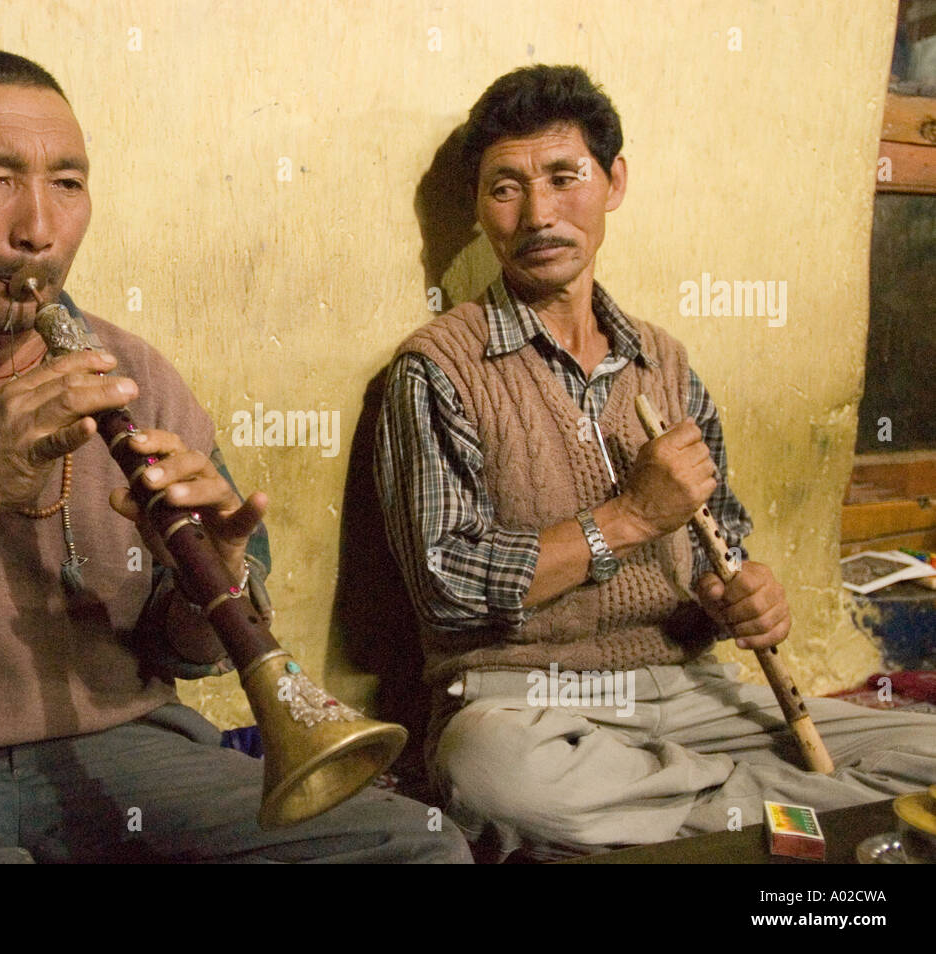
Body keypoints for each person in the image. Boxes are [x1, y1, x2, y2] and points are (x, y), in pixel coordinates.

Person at [0, 49, 470, 864]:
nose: (37, 228)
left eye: (67, 183)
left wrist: (220, 572)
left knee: (410, 845)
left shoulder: (136, 374)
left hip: (119, 752)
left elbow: (188, 655)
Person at [374, 64, 936, 860]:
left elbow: (723, 532)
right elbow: (448, 591)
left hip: (688, 691)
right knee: (492, 775)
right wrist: (630, 516)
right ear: (477, 209)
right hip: (533, 708)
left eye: (565, 177)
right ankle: (799, 810)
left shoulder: (664, 363)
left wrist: (741, 595)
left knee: (929, 751)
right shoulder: (437, 368)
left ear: (613, 183)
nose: (539, 213)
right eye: (506, 188)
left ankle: (711, 805)